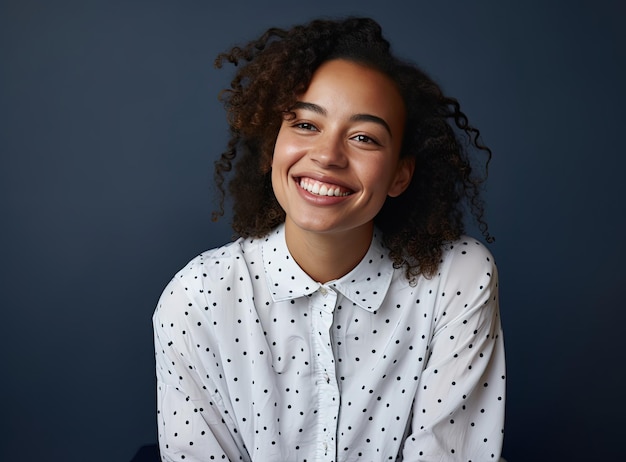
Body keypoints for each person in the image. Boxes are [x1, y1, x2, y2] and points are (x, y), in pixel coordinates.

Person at [153, 16, 506, 462]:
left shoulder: (458, 277)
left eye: (363, 137)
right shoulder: (195, 298)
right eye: (304, 125)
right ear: (272, 146)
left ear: (400, 174)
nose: (327, 156)